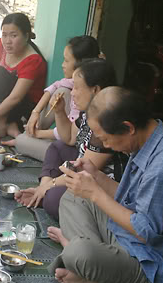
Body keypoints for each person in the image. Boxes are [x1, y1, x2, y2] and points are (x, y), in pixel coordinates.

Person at [47, 87, 163, 283]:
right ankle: (94, 268)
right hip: (127, 238)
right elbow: (129, 198)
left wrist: (95, 194)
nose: (106, 146)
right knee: (72, 197)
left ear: (127, 127)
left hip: (154, 267)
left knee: (78, 252)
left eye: (106, 139)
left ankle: (88, 264)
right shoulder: (151, 137)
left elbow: (145, 232)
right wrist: (97, 176)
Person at [15, 59, 128, 221]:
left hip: (101, 182)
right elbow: (68, 137)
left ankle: (45, 194)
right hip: (81, 166)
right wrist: (60, 111)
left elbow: (85, 170)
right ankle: (41, 192)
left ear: (95, 90)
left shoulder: (106, 120)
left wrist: (50, 186)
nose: (72, 92)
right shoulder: (89, 111)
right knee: (56, 147)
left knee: (53, 200)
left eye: (76, 87)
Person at [3, 36, 103, 161]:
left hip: (76, 152)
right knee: (61, 91)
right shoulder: (77, 83)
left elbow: (71, 138)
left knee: (22, 142)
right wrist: (35, 112)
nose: (62, 65)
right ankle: (28, 134)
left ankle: (27, 137)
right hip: (69, 138)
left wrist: (37, 134)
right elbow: (56, 86)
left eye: (66, 61)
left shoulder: (85, 97)